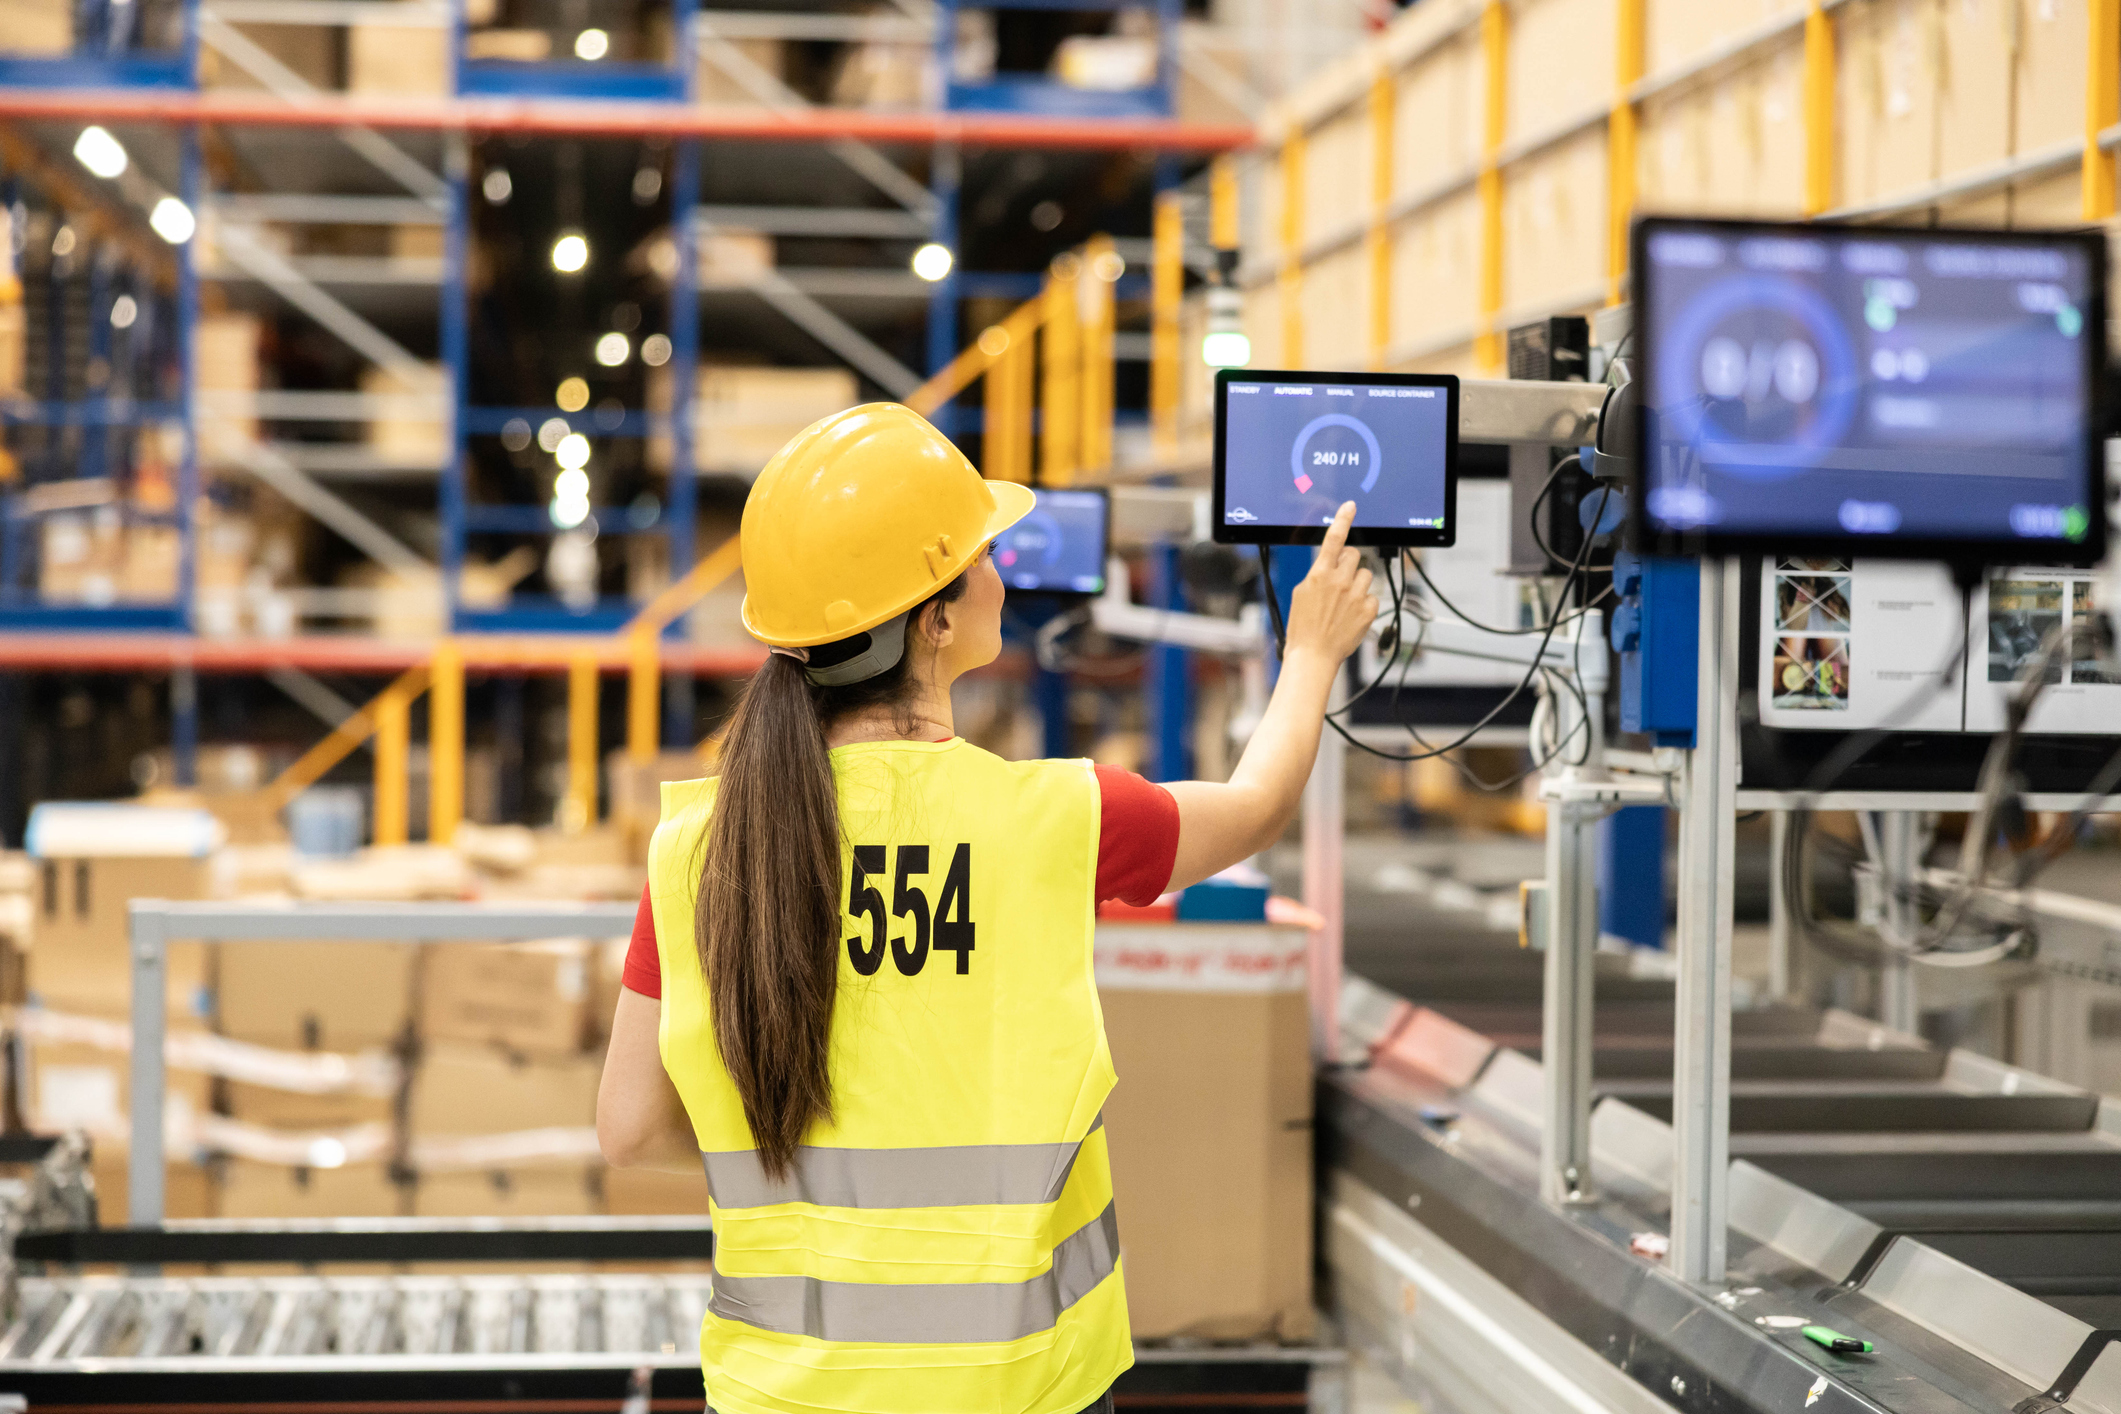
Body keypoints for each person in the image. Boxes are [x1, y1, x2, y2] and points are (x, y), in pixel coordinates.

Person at [596, 403, 1376, 1414]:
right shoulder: (1051, 816)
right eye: (981, 555)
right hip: (1022, 1389)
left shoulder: (698, 848)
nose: (1000, 572)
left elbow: (627, 1128)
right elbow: (1259, 805)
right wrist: (1311, 649)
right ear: (935, 617)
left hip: (786, 1394)